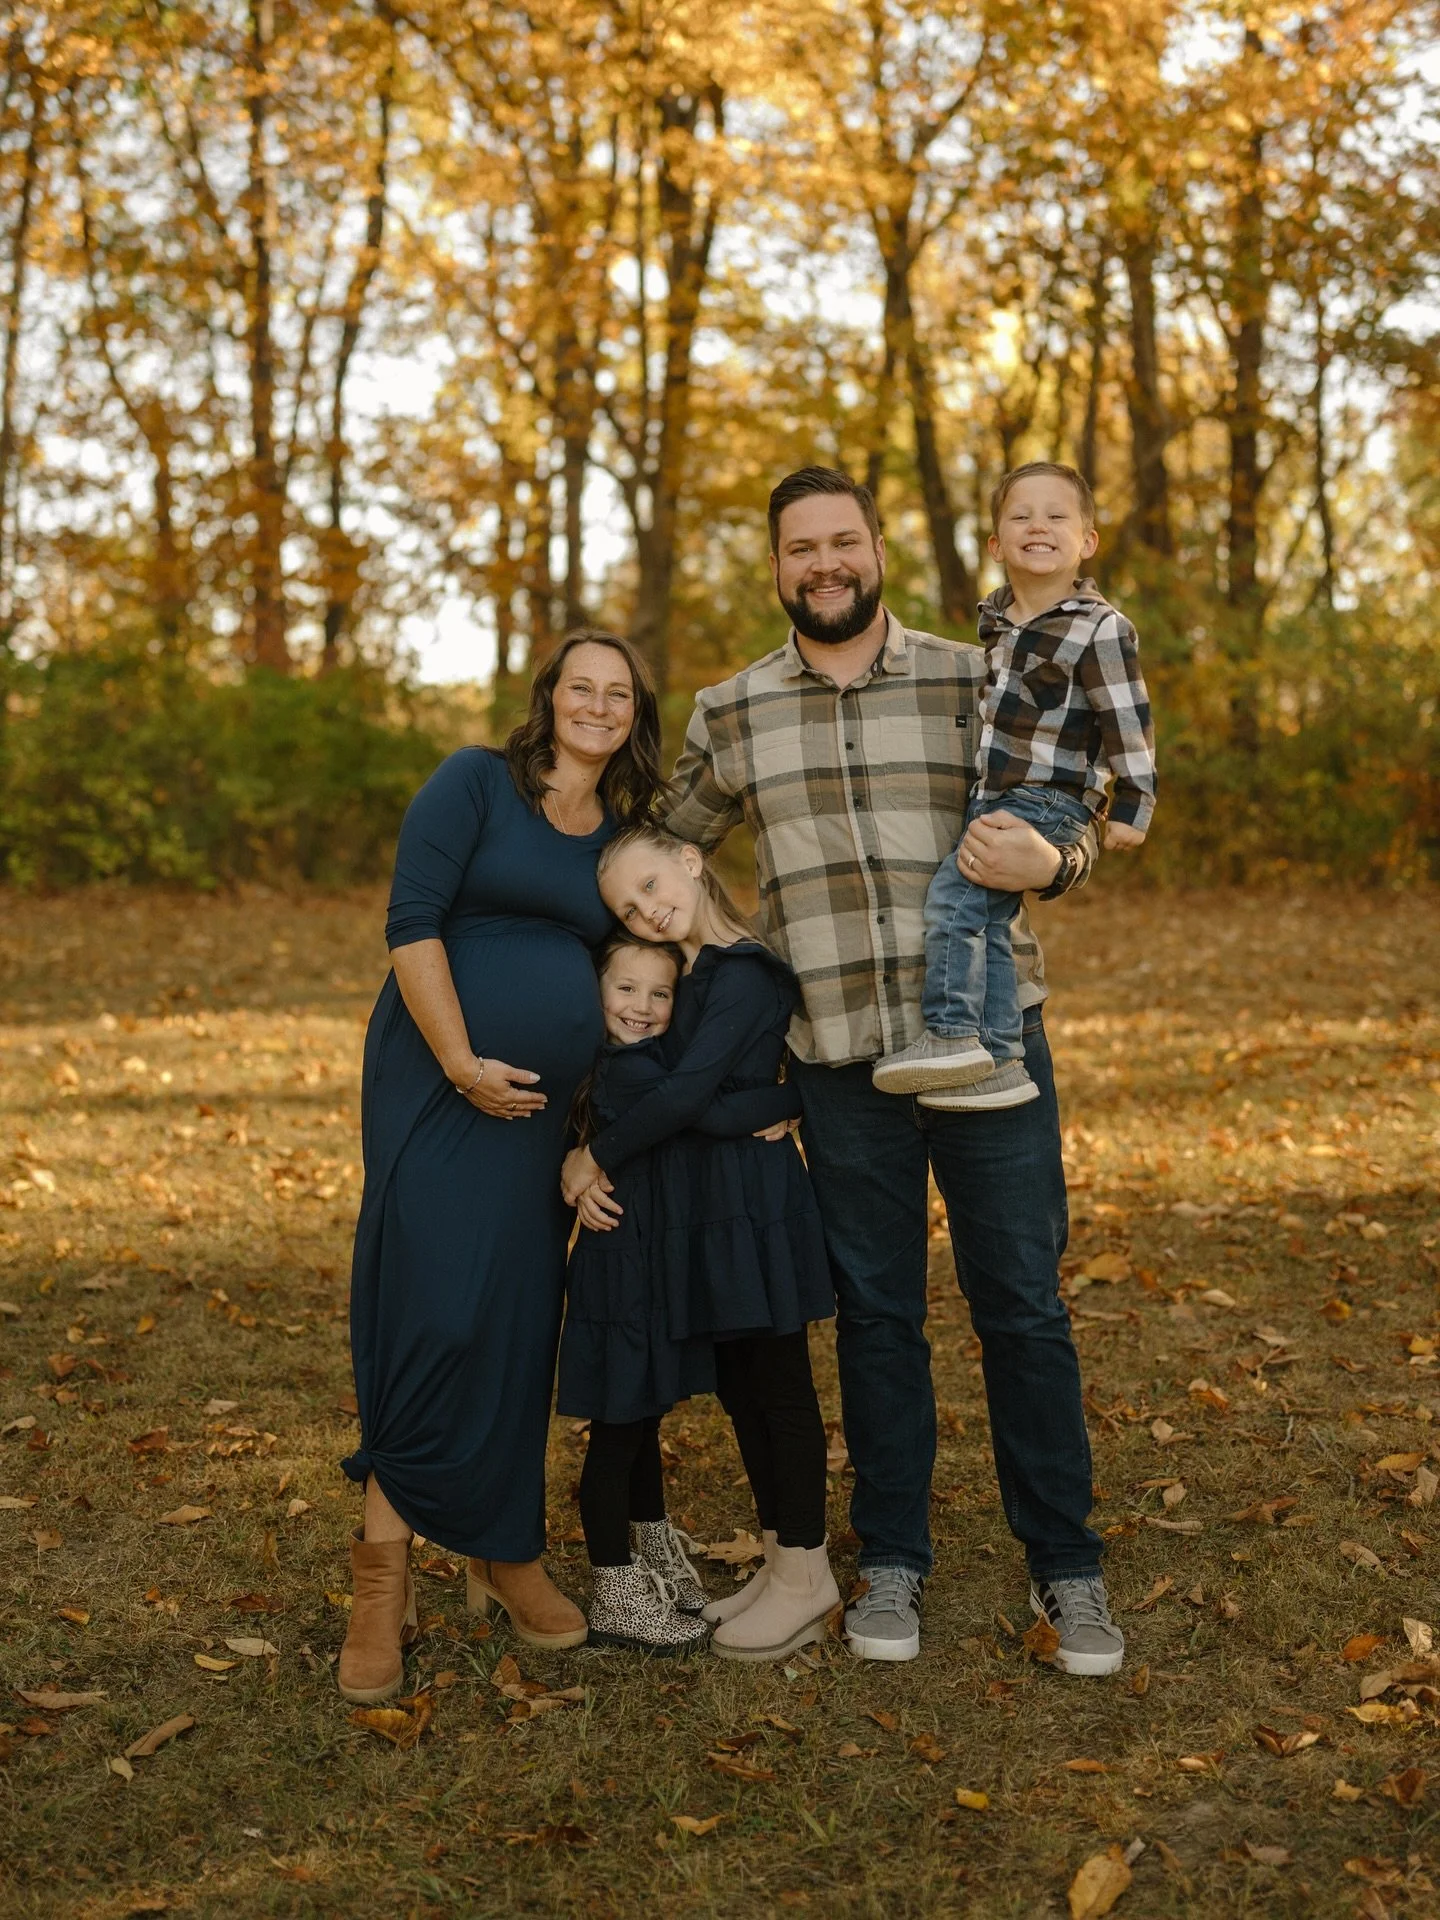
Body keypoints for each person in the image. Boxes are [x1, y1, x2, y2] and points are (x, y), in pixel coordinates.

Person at [666, 467, 1123, 1676]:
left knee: (1022, 1305)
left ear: (878, 550)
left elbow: (1073, 794)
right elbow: (664, 853)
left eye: (844, 542)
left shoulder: (974, 673)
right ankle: (894, 1562)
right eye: (800, 548)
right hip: (837, 1060)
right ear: (775, 567)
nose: (825, 563)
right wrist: (733, 950)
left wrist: (1057, 864)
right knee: (877, 1316)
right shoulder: (731, 710)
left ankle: (1066, 1565)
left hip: (989, 1045)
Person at [336, 631, 666, 1706]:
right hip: (437, 1082)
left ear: (631, 716)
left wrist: (590, 1124)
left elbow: (647, 958)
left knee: (523, 1312)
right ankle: (381, 1580)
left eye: (619, 694)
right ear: (550, 695)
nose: (599, 705)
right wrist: (462, 1061)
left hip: (537, 1118)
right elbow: (411, 924)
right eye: (584, 685)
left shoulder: (621, 837)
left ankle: (501, 1547)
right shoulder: (474, 782)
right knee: (435, 1307)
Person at [560, 826, 840, 1662]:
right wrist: (769, 1096)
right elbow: (683, 1092)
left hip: (752, 1208)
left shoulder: (745, 971)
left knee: (781, 1386)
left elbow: (692, 1100)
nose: (649, 910)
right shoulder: (687, 976)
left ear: (688, 856)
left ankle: (810, 1572)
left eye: (651, 882)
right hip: (706, 1208)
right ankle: (779, 1558)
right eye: (628, 908)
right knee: (744, 1389)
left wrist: (591, 1157)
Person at [874, 462, 1156, 1110]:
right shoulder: (996, 624)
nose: (1039, 526)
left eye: (1057, 516)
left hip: (1048, 798)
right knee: (992, 923)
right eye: (1021, 515)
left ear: (1087, 540)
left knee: (952, 900)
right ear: (996, 544)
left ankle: (950, 1033)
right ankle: (999, 1058)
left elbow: (1127, 717)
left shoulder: (1099, 627)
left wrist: (1132, 807)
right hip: (996, 793)